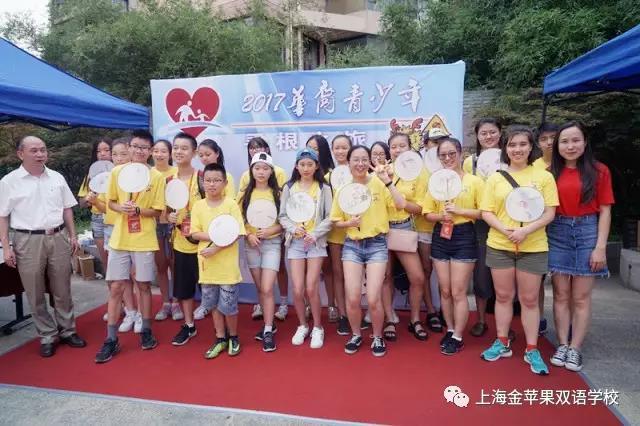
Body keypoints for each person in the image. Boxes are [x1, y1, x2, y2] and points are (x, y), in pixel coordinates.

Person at [479, 125, 558, 376]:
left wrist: (526, 231)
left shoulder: (544, 176)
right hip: (500, 244)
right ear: (505, 148)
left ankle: (532, 348)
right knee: (503, 297)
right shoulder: (495, 178)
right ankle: (502, 341)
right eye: (512, 145)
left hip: (533, 246)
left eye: (523, 144)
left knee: (529, 299)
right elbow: (486, 211)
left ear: (531, 146)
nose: (517, 149)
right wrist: (505, 230)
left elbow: (550, 212)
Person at [0, 136, 86, 357]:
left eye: (43, 150)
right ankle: (47, 335)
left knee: (62, 288)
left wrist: (73, 235)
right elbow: (3, 216)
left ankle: (68, 330)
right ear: (21, 154)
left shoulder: (56, 177)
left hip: (58, 236)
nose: (40, 154)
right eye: (34, 150)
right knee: (35, 290)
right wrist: (6, 247)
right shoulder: (9, 181)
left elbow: (67, 208)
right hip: (27, 239)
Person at [548, 122, 614, 372]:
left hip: (588, 232)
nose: (570, 146)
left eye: (575, 140)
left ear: (585, 142)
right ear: (557, 145)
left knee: (581, 297)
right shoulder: (550, 172)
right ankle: (562, 344)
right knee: (561, 294)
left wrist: (600, 247)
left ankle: (575, 348)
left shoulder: (600, 171)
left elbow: (605, 210)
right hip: (557, 232)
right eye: (564, 141)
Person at [95, 130, 166, 364]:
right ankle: (110, 338)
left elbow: (157, 210)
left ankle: (146, 330)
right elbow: (111, 202)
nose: (139, 151)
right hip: (120, 238)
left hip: (144, 237)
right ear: (129, 147)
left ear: (150, 151)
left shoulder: (156, 177)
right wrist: (121, 208)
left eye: (144, 148)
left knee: (143, 285)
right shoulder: (117, 172)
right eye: (135, 146)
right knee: (116, 286)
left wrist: (137, 210)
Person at [330, 145, 406, 357]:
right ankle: (356, 334)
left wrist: (387, 181)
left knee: (373, 298)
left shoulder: (379, 183)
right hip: (352, 246)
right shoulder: (343, 189)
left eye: (364, 159)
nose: (360, 163)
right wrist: (348, 223)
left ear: (369, 162)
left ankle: (377, 336)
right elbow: (335, 221)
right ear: (349, 163)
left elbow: (401, 204)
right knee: (353, 297)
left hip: (376, 245)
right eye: (356, 159)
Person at [423, 137, 484, 355]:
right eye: (443, 155)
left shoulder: (474, 182)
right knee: (445, 290)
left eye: (452, 154)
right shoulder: (435, 181)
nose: (448, 158)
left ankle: (458, 335)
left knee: (458, 291)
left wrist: (459, 211)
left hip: (464, 235)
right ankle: (450, 329)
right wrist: (441, 216)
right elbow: (427, 212)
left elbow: (483, 212)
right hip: (441, 234)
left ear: (460, 154)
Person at [191, 163, 246, 359]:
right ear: (202, 182)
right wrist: (217, 234)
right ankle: (220, 337)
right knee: (213, 304)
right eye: (208, 180)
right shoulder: (198, 206)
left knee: (229, 306)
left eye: (216, 180)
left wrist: (216, 246)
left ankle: (233, 337)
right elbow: (194, 233)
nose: (212, 184)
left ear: (225, 183)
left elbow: (237, 233)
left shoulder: (230, 204)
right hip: (207, 265)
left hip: (227, 267)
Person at [279, 148, 333, 349]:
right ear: (296, 166)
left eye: (310, 164)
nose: (306, 168)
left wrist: (315, 233)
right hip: (295, 243)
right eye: (302, 164)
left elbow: (330, 217)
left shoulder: (323, 188)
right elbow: (283, 216)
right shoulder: (289, 187)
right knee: (297, 288)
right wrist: (294, 229)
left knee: (311, 287)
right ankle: (302, 325)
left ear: (316, 166)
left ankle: (318, 327)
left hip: (315, 244)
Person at [380, 133, 427, 342]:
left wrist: (403, 203)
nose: (397, 150)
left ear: (410, 148)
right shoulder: (381, 172)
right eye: (394, 146)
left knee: (417, 277)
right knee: (385, 277)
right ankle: (389, 318)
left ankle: (415, 319)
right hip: (382, 231)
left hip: (404, 228)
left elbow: (421, 208)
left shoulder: (419, 173)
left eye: (402, 146)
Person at [238, 137, 289, 322]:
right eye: (257, 168)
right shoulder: (244, 194)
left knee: (268, 286)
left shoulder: (278, 193)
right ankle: (267, 320)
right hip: (252, 243)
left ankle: (274, 316)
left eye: (265, 168)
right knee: (261, 286)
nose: (261, 172)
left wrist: (272, 231)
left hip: (272, 242)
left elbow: (286, 219)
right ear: (251, 170)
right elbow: (237, 218)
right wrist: (248, 234)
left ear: (271, 171)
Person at [94, 137, 138, 332]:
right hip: (113, 230)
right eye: (115, 154)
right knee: (120, 277)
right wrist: (95, 201)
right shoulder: (110, 176)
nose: (119, 158)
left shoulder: (138, 176)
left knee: (137, 275)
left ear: (131, 153)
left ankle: (140, 314)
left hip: (136, 230)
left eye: (123, 154)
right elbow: (106, 206)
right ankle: (130, 311)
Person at [464, 118, 502, 338]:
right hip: (480, 225)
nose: (488, 136)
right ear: (477, 137)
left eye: (492, 132)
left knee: (504, 277)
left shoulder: (510, 158)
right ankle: (480, 320)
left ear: (500, 133)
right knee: (481, 275)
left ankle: (504, 326)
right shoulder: (470, 163)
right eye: (483, 133)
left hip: (506, 222)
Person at [192, 139, 237, 321]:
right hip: (205, 232)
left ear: (217, 153)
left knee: (227, 299)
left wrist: (220, 234)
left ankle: (230, 331)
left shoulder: (227, 179)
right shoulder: (199, 177)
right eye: (201, 155)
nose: (204, 158)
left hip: (225, 234)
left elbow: (229, 209)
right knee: (208, 283)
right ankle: (207, 306)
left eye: (208, 154)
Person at [167, 133, 202, 346]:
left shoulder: (203, 178)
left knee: (210, 288)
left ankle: (221, 330)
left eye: (184, 148)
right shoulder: (168, 181)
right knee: (184, 288)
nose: (179, 152)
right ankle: (189, 325)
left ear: (194, 153)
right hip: (180, 243)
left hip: (203, 244)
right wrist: (168, 217)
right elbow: (164, 213)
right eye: (176, 147)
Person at [322, 135, 352, 334]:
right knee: (338, 273)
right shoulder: (327, 178)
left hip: (357, 231)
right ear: (332, 150)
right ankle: (343, 315)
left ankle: (357, 311)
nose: (340, 151)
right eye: (337, 148)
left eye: (344, 147)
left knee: (355, 276)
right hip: (335, 233)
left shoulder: (359, 172)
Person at [151, 139, 182, 322]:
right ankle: (165, 303)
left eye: (163, 151)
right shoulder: (147, 174)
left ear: (170, 154)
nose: (159, 154)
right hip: (153, 224)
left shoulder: (177, 173)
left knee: (174, 264)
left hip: (173, 225)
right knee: (160, 265)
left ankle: (176, 302)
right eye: (156, 150)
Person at [533, 122, 559, 336]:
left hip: (566, 226)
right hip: (540, 226)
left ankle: (565, 323)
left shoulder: (572, 164)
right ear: (538, 143)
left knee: (563, 280)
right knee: (538, 277)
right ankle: (539, 317)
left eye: (553, 137)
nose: (549, 142)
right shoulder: (534, 167)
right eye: (544, 139)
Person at [78, 137, 112, 272]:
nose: (102, 154)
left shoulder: (120, 173)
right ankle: (111, 285)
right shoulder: (90, 175)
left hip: (116, 219)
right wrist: (89, 197)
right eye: (98, 151)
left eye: (106, 150)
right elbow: (82, 203)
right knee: (106, 261)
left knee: (119, 260)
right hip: (98, 219)